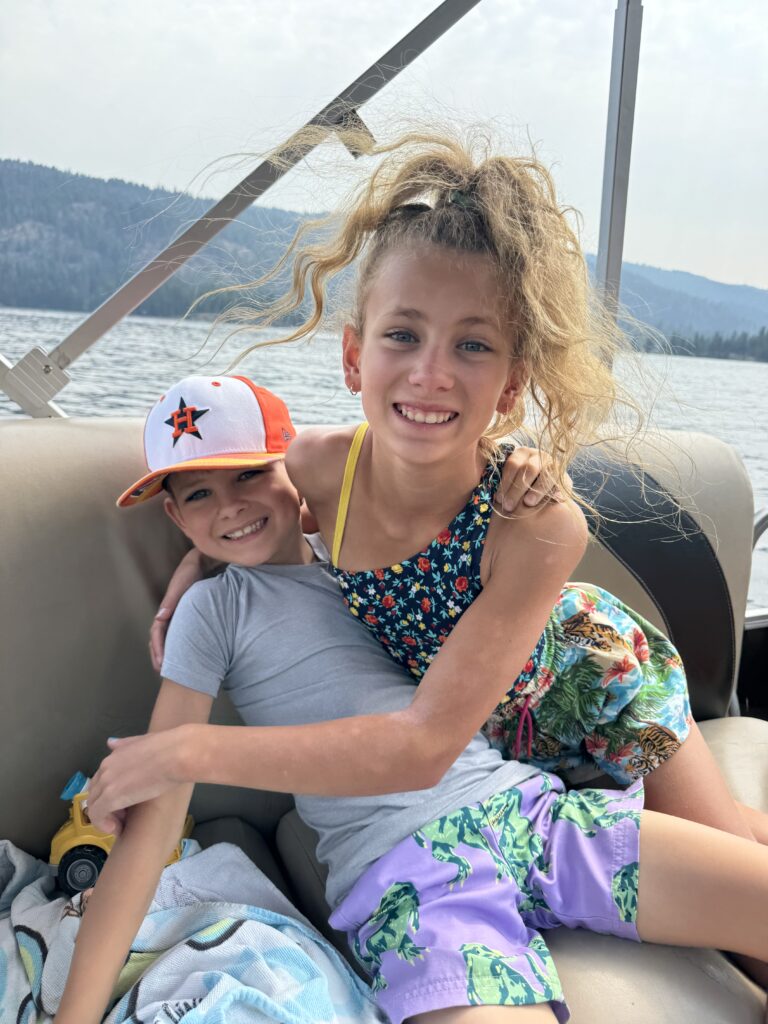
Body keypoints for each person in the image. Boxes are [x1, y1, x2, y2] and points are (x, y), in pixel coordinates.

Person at [66, 374, 768, 1024]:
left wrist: (521, 464)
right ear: (175, 515)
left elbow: (438, 464)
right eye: (199, 495)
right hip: (409, 878)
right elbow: (158, 811)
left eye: (250, 473)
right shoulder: (212, 610)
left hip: (531, 811)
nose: (231, 505)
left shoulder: (366, 544)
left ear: (297, 473)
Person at [153, 127, 768, 846]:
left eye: (472, 345)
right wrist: (195, 567)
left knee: (727, 848)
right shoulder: (320, 467)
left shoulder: (527, 515)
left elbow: (427, 739)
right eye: (403, 336)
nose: (431, 374)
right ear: (353, 357)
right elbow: (250, 513)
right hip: (482, 739)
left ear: (510, 385)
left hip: (594, 681)